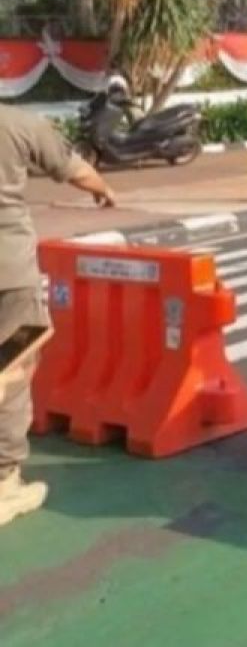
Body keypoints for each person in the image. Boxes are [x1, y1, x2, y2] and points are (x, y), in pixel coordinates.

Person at [1, 104, 116, 527]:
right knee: (13, 367)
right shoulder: (20, 125)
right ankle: (4, 483)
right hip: (9, 273)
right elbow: (75, 170)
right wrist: (104, 190)